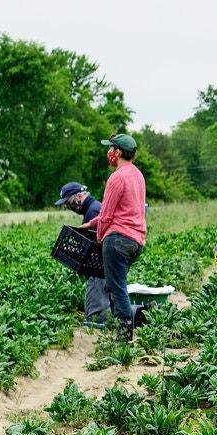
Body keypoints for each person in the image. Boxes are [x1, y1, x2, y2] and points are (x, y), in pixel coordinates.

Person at [80, 134, 147, 341]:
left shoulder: (116, 177)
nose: (108, 152)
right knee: (115, 284)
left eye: (110, 148)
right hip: (136, 241)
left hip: (117, 239)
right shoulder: (138, 175)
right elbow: (124, 210)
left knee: (117, 287)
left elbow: (107, 215)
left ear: (117, 152)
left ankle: (125, 335)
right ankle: (127, 321)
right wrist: (91, 223)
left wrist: (99, 237)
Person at [55, 182, 110, 327]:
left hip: (100, 266)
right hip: (107, 262)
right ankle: (141, 312)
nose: (69, 207)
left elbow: (92, 246)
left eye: (69, 202)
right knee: (112, 303)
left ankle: (96, 323)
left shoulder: (92, 212)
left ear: (79, 196)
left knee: (98, 311)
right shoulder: (93, 208)